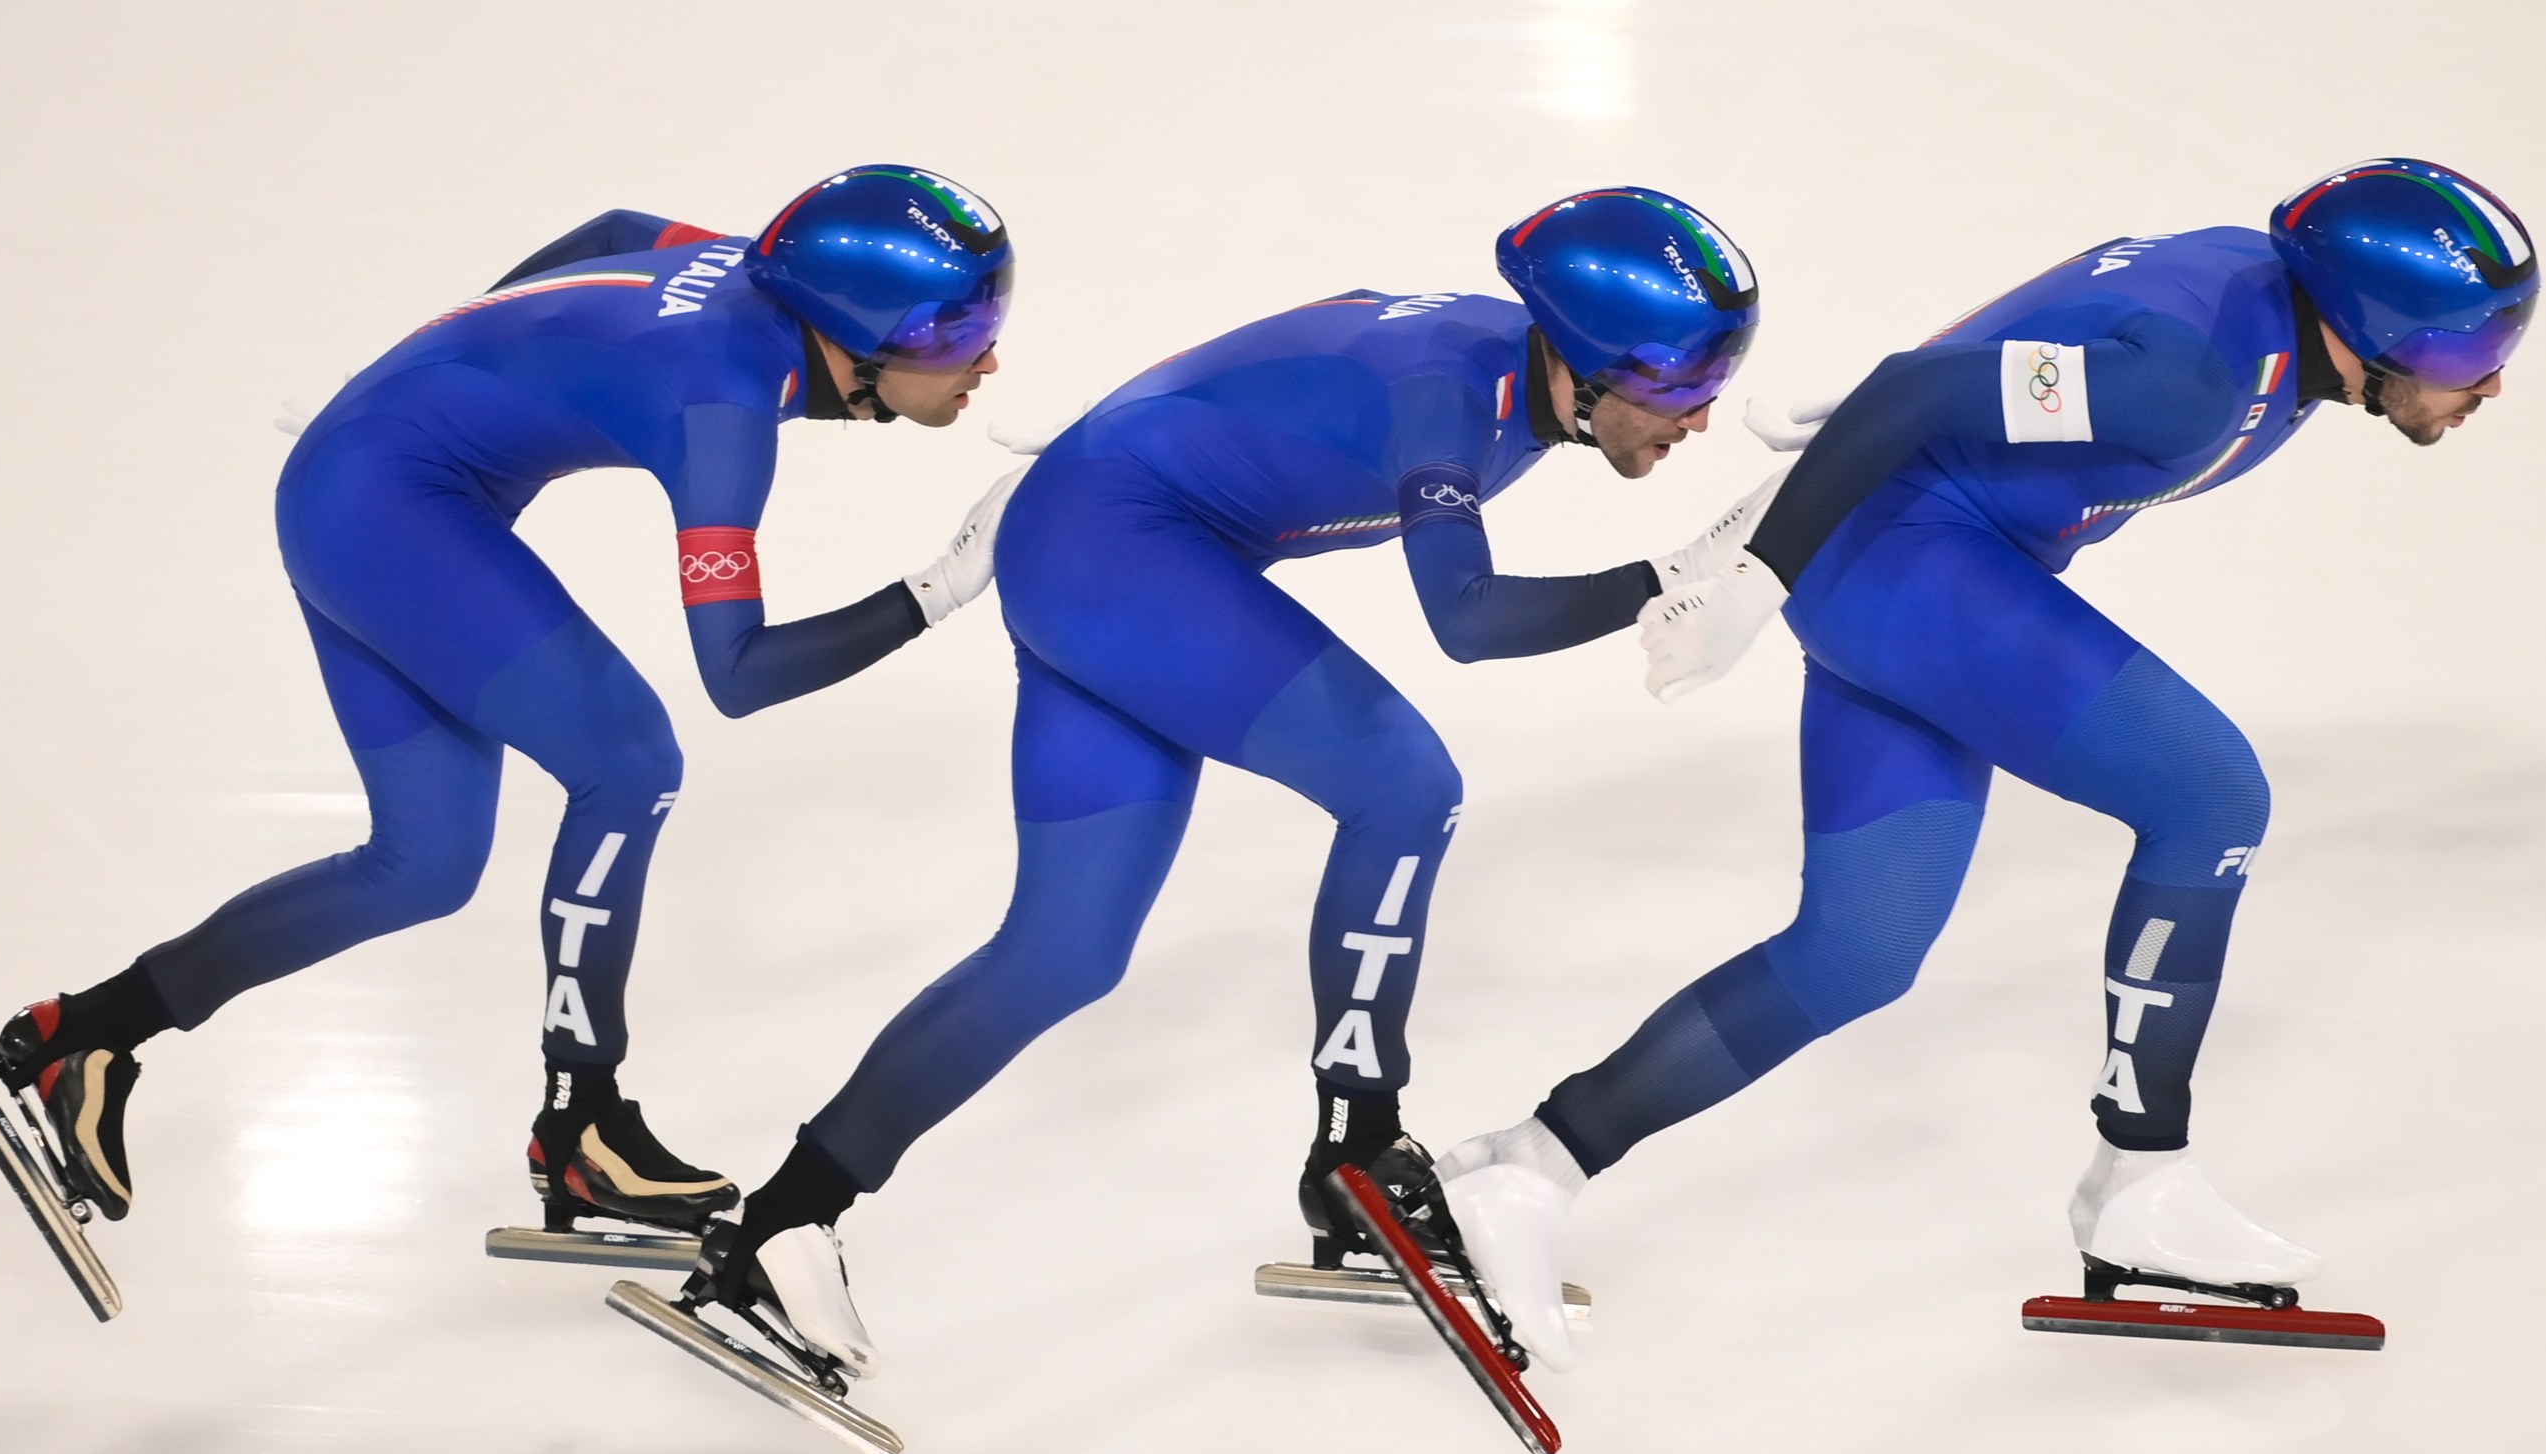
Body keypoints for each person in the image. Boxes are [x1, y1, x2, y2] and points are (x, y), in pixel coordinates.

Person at [1436, 158, 2540, 1369]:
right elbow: (1916, 389)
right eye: (2467, 351)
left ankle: (1527, 1168)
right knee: (2210, 795)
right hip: (1911, 567)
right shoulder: (2197, 377)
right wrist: (1757, 572)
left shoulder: (2256, 302)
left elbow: (1964, 368)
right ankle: (2141, 1172)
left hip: (1917, 562)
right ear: (2377, 327)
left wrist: (1848, 459)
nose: (2488, 383)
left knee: (1860, 949)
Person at [673, 187, 1766, 1380]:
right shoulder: (1451, 398)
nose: (1698, 417)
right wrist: (1678, 572)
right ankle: (1359, 1150)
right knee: (1404, 787)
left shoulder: (1505, 367)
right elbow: (1469, 621)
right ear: (1593, 360)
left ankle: (780, 1220)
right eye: (1680, 384)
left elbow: (1305, 331)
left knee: (1062, 952)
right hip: (1121, 549)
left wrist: (1128, 427)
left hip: (1101, 538)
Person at [0, 164, 1019, 1254]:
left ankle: (80, 1037)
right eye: (954, 330)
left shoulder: (741, 263)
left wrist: (423, 372)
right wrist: (940, 587)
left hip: (363, 482)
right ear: (853, 330)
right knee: (632, 761)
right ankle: (583, 1127)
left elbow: (618, 229)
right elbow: (737, 675)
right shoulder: (724, 412)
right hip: (388, 511)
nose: (985, 357)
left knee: (424, 864)